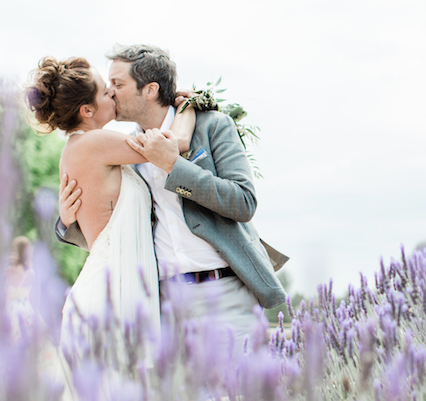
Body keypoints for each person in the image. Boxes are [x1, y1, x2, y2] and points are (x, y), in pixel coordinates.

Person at [57, 44, 288, 361]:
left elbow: (243, 202)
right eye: (108, 85)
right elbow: (117, 230)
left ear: (150, 89)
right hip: (161, 307)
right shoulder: (121, 151)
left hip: (223, 294)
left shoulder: (213, 126)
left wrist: (174, 167)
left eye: (118, 84)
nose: (109, 92)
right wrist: (68, 221)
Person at [27, 55, 196, 366]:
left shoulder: (86, 146)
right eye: (106, 90)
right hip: (111, 294)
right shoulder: (94, 143)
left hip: (118, 288)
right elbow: (176, 142)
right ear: (87, 110)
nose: (113, 95)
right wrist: (188, 107)